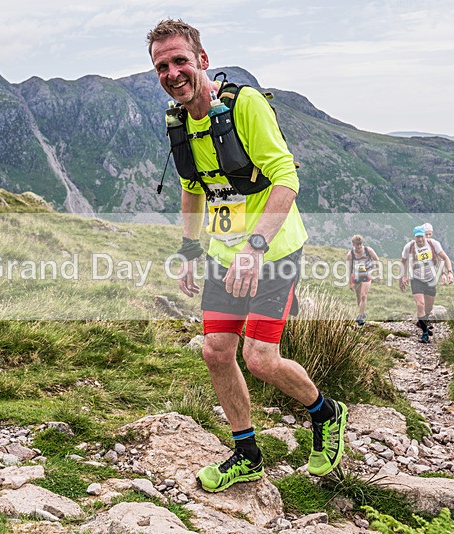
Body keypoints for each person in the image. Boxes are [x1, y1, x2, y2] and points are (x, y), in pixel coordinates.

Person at [148, 19, 346, 493]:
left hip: (272, 250)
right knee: (216, 352)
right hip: (223, 252)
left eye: (180, 60)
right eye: (161, 66)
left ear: (202, 60)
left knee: (259, 358)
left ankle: (325, 412)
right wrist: (192, 250)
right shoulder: (179, 121)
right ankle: (247, 454)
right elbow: (192, 190)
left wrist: (255, 249)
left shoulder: (246, 105)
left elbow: (286, 179)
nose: (172, 72)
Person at [399, 226, 454, 343]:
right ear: (414, 237)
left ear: (425, 236)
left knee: (428, 308)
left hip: (431, 279)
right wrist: (403, 277)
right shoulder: (409, 247)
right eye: (417, 237)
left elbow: (445, 258)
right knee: (420, 304)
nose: (420, 240)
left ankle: (422, 321)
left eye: (422, 237)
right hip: (416, 279)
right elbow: (403, 262)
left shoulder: (433, 244)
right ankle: (424, 333)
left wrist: (449, 272)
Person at [346, 234, 380, 325]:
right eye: (357, 244)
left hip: (367, 274)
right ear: (353, 244)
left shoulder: (368, 250)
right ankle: (361, 312)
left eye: (360, 244)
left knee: (363, 295)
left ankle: (360, 316)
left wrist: (378, 273)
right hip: (357, 275)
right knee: (358, 296)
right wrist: (350, 282)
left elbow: (377, 259)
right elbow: (349, 269)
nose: (359, 246)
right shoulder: (350, 254)